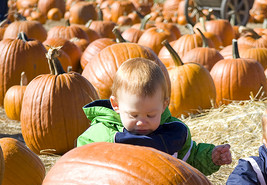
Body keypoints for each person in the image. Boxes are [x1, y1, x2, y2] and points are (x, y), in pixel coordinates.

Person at [77, 57, 232, 176]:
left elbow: (189, 160)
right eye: (134, 115)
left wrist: (210, 157)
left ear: (164, 105)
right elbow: (80, 163)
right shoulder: (101, 136)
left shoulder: (172, 132)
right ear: (116, 105)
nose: (142, 122)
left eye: (151, 115)